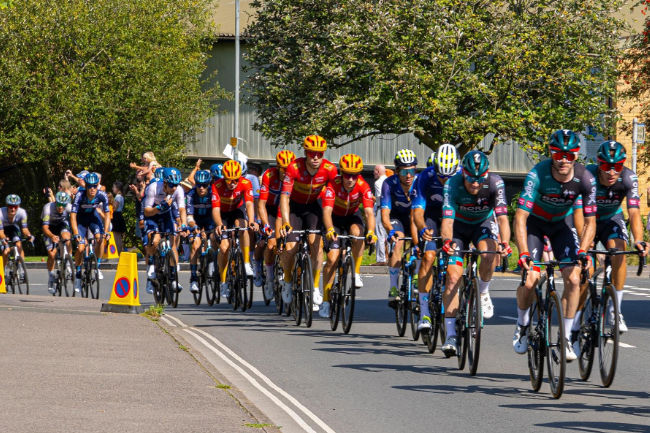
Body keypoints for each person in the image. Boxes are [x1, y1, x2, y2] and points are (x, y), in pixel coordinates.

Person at [512, 129, 596, 362]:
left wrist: (583, 251)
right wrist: (524, 253)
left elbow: (590, 222)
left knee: (574, 279)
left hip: (561, 225)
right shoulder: (537, 174)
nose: (562, 159)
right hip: (535, 225)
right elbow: (520, 217)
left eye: (568, 155)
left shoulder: (586, 179)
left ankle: (566, 337)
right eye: (558, 153)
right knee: (530, 279)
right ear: (551, 152)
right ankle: (521, 324)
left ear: (576, 156)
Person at [571, 141, 647, 340]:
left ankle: (615, 310)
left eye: (617, 167)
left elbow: (634, 212)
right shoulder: (587, 176)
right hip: (587, 220)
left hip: (611, 218)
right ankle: (576, 322)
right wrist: (583, 246)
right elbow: (579, 214)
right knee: (584, 269)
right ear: (598, 164)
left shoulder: (629, 177)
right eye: (606, 167)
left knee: (619, 251)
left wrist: (638, 240)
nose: (612, 172)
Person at [439, 150, 510, 356]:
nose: (475, 183)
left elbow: (503, 218)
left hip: (482, 223)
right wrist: (447, 242)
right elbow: (448, 221)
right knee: (452, 277)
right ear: (463, 173)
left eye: (480, 179)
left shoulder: (496, 183)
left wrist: (504, 242)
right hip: (458, 227)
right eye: (471, 178)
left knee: (489, 253)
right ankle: (451, 334)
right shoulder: (452, 185)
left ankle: (484, 290)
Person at [279, 135, 338, 309]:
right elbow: (284, 196)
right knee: (290, 248)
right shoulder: (294, 167)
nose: (315, 158)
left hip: (314, 206)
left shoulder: (329, 169)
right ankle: (288, 281)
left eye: (319, 154)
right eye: (312, 154)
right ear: (305, 153)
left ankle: (315, 287)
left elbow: (336, 192)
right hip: (295, 207)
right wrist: (285, 222)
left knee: (316, 244)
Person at [320, 154, 377, 318]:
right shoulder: (333, 185)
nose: (350, 179)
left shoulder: (363, 186)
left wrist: (371, 232)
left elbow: (368, 213)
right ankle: (325, 300)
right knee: (332, 259)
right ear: (341, 173)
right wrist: (330, 229)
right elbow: (327, 211)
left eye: (354, 175)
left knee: (358, 233)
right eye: (347, 175)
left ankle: (356, 272)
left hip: (352, 216)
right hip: (335, 219)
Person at [411, 144, 460, 331]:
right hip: (431, 217)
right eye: (441, 176)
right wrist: (423, 228)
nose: (444, 180)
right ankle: (424, 312)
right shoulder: (425, 176)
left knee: (456, 262)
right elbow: (417, 211)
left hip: (455, 217)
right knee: (428, 257)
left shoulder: (464, 175)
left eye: (448, 177)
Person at [213, 160, 258, 297]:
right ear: (224, 178)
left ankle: (245, 262)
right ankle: (223, 281)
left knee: (243, 226)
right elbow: (215, 209)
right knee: (224, 248)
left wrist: (251, 221)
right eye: (229, 180)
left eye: (235, 180)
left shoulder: (246, 183)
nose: (232, 183)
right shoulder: (217, 185)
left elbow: (249, 204)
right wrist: (219, 224)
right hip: (223, 214)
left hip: (237, 210)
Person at [381, 149, 418, 308]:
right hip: (396, 219)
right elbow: (384, 214)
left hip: (414, 217)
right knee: (398, 241)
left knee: (421, 244)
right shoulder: (389, 184)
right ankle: (394, 287)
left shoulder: (419, 182)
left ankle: (417, 278)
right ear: (397, 171)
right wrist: (390, 230)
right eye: (404, 171)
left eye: (411, 170)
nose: (408, 175)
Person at [258, 150, 296, 300]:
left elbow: (283, 211)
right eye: (283, 170)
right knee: (271, 244)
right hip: (270, 210)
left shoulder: (294, 178)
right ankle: (269, 278)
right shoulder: (269, 176)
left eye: (289, 170)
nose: (286, 173)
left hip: (286, 210)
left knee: (287, 243)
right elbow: (260, 204)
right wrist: (266, 225)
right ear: (278, 168)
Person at [143, 167, 187, 293]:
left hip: (166, 215)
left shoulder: (178, 190)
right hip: (152, 214)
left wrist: (183, 224)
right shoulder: (153, 187)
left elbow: (182, 209)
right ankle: (151, 267)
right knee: (155, 240)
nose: (174, 188)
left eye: (176, 185)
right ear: (165, 183)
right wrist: (158, 208)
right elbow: (147, 211)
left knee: (173, 244)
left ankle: (173, 279)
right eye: (172, 185)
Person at [70, 173, 111, 292]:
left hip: (93, 218)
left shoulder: (102, 195)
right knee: (81, 248)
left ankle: (98, 266)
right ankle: (78, 274)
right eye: (89, 186)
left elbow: (107, 214)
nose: (92, 189)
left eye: (95, 186)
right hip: (80, 221)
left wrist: (107, 231)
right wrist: (76, 233)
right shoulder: (79, 195)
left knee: (100, 239)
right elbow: (73, 216)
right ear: (86, 186)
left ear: (97, 185)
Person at [187, 170, 218, 293]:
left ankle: (212, 262)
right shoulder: (190, 194)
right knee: (195, 245)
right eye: (199, 184)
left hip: (211, 221)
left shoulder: (213, 193)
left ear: (209, 184)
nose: (201, 188)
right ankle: (194, 278)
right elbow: (189, 215)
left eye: (204, 185)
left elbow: (218, 212)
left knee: (214, 240)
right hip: (196, 222)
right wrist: (194, 227)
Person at [42, 192, 73, 293]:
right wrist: (52, 236)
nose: (61, 207)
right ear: (55, 202)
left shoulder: (69, 207)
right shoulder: (48, 208)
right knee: (52, 254)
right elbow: (44, 228)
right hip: (50, 228)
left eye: (63, 205)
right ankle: (51, 276)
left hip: (62, 225)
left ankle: (68, 262)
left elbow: (75, 220)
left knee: (66, 237)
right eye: (59, 204)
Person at [0, 194, 35, 276]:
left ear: (18, 206)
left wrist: (29, 236)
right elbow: (1, 232)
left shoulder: (22, 212)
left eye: (15, 207)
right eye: (10, 206)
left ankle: (21, 269)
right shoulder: (0, 213)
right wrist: (4, 238)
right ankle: (4, 270)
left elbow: (24, 229)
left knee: (19, 244)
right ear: (7, 206)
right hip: (2, 231)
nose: (12, 209)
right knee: (6, 251)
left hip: (13, 228)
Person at [373, 164, 388, 266]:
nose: (373, 173)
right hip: (390, 209)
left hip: (381, 209)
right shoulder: (388, 180)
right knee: (388, 234)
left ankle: (381, 259)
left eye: (374, 171)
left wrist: (370, 196)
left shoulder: (378, 182)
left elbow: (379, 197)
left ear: (378, 171)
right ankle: (389, 257)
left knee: (380, 234)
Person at [111, 181, 126, 254]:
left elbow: (115, 208)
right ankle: (119, 251)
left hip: (116, 216)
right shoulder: (121, 196)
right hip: (119, 215)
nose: (112, 189)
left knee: (116, 236)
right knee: (118, 236)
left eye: (113, 187)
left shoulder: (118, 197)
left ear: (117, 188)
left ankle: (118, 252)